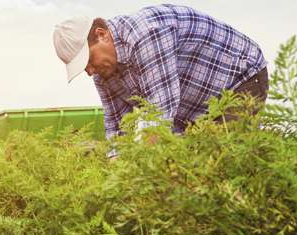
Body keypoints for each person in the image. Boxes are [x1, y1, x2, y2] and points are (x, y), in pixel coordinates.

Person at [53, 5, 268, 143]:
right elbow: (117, 127)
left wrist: (140, 172)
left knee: (227, 164)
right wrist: (118, 173)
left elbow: (160, 112)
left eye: (89, 60)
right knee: (187, 172)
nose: (90, 72)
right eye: (84, 68)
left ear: (102, 35)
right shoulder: (103, 70)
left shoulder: (145, 34)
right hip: (191, 106)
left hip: (237, 79)